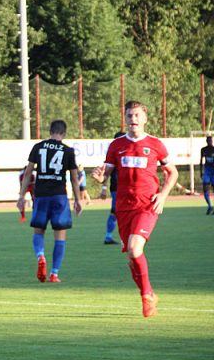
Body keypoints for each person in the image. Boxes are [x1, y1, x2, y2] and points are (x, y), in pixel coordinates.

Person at [98, 100, 178, 318]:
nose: (132, 119)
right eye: (129, 116)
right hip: (124, 207)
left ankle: (146, 297)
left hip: (147, 205)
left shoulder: (155, 144)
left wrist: (162, 196)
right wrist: (100, 177)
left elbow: (173, 173)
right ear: (124, 118)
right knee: (131, 256)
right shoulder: (116, 145)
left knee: (135, 249)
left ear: (144, 119)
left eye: (136, 116)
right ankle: (148, 293)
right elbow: (106, 172)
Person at [17, 120, 83, 284]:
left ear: (50, 131)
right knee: (60, 235)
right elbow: (74, 178)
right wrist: (78, 199)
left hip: (41, 195)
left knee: (38, 231)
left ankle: (40, 256)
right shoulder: (68, 151)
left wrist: (21, 196)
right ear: (64, 133)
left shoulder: (38, 147)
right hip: (59, 196)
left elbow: (28, 173)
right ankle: (54, 274)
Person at [92, 131, 127, 245]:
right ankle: (109, 237)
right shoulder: (113, 155)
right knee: (116, 212)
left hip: (128, 189)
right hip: (116, 189)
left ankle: (125, 237)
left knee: (126, 213)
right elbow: (105, 174)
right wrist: (103, 189)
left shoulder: (128, 154)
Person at [200, 136, 214, 214]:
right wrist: (201, 172)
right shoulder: (203, 150)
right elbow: (201, 161)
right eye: (208, 140)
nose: (210, 142)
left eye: (211, 140)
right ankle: (209, 206)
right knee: (205, 189)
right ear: (206, 141)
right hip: (207, 172)